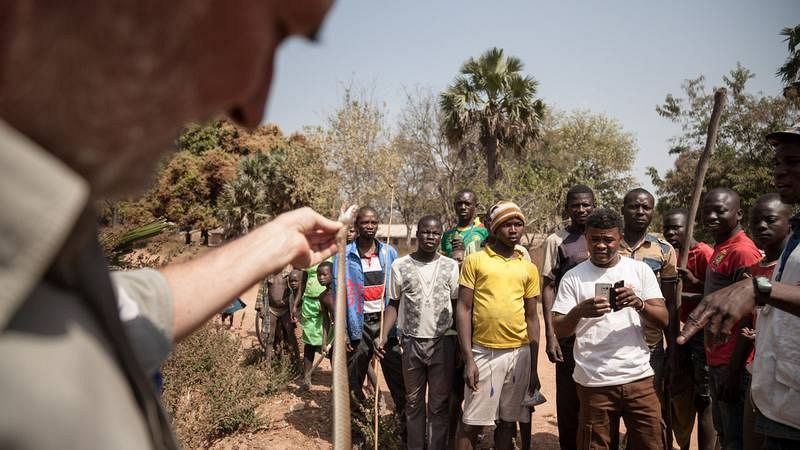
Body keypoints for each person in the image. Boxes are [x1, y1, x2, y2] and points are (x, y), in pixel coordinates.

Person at [0, 2, 339, 447]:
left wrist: (277, 241)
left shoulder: (54, 254)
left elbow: (124, 310)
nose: (252, 108)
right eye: (275, 29)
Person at [679, 124, 800, 448]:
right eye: (777, 163)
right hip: (776, 397)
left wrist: (757, 288)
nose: (781, 172)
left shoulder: (745, 250)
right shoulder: (795, 240)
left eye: (792, 162)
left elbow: (756, 300)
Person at [552, 208, 669, 450]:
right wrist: (580, 311)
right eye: (595, 239)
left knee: (652, 443)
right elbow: (560, 329)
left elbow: (663, 319)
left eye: (608, 239)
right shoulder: (573, 277)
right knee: (596, 445)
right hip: (594, 383)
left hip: (638, 377)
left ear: (620, 237)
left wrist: (639, 303)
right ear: (586, 237)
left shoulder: (639, 270)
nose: (602, 245)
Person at [455, 201, 541, 450]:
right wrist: (468, 357)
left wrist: (533, 367)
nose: (513, 230)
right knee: (471, 422)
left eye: (518, 224)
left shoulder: (528, 267)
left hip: (519, 353)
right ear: (494, 228)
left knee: (507, 422)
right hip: (484, 352)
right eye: (506, 225)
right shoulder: (476, 261)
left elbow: (532, 317)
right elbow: (464, 308)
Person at [375, 215, 460, 450]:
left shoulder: (450, 266)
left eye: (435, 233)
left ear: (440, 235)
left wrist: (462, 344)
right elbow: (393, 304)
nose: (430, 237)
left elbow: (457, 305)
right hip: (411, 342)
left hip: (442, 342)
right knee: (413, 402)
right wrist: (382, 334)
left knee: (439, 404)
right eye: (425, 232)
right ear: (417, 234)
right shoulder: (399, 266)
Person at [699, 187, 763, 450]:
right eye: (707, 211)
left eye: (720, 211)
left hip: (732, 361)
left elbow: (750, 313)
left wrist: (735, 370)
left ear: (738, 214)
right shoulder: (722, 246)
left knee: (735, 438)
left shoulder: (743, 252)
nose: (712, 216)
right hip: (717, 357)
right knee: (725, 434)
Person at [726, 193, 790, 450]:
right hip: (756, 371)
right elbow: (745, 326)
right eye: (757, 222)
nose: (762, 226)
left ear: (790, 224)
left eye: (770, 220)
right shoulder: (752, 271)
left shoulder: (789, 269)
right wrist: (733, 370)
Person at [333, 206, 406, 426]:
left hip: (386, 322)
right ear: (356, 226)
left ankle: (403, 426)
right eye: (365, 222)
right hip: (358, 324)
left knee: (398, 377)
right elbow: (339, 294)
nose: (370, 226)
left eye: (374, 222)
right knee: (353, 378)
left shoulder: (388, 252)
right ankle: (359, 426)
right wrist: (343, 331)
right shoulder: (344, 255)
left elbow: (395, 293)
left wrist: (397, 327)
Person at [618, 188, 678, 438]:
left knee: (649, 415)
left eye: (646, 207)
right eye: (634, 206)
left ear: (653, 212)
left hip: (651, 344)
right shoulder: (607, 243)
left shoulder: (663, 250)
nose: (640, 212)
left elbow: (671, 303)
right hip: (614, 341)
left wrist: (673, 346)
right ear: (623, 210)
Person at [540, 184, 595, 450]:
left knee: (597, 397)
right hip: (568, 332)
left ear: (594, 205)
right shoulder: (556, 240)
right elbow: (548, 287)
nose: (581, 209)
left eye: (586, 204)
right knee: (568, 400)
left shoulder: (603, 237)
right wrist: (551, 334)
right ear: (568, 208)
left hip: (598, 331)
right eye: (576, 205)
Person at [661, 208, 716, 450]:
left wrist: (695, 282)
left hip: (699, 333)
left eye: (677, 228)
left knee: (703, 394)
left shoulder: (704, 253)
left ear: (689, 228)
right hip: (678, 331)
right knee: (674, 387)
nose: (671, 233)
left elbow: (718, 294)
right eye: (667, 228)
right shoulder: (671, 255)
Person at [299, 261, 334, 386]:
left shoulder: (341, 293)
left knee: (337, 351)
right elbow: (327, 321)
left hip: (345, 328)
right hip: (310, 303)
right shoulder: (323, 296)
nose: (321, 278)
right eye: (319, 275)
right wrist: (324, 342)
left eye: (324, 275)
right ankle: (307, 377)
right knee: (309, 342)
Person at [256, 267, 299, 366]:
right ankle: (268, 363)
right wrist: (261, 308)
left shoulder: (288, 275)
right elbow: (261, 292)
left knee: (291, 335)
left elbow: (294, 292)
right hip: (271, 309)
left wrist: (288, 301)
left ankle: (297, 361)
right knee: (269, 336)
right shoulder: (267, 275)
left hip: (285, 310)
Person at [442, 189, 489, 257]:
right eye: (459, 204)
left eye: (467, 204)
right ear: (454, 206)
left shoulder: (484, 232)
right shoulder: (447, 235)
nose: (463, 207)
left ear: (476, 206)